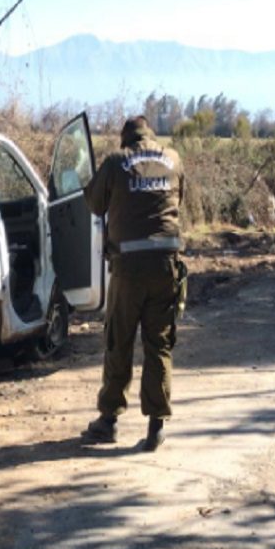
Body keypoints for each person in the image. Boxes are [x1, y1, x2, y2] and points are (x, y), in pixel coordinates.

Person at [81, 115, 186, 452]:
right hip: (166, 267)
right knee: (159, 344)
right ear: (150, 135)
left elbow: (94, 204)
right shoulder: (173, 159)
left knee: (119, 340)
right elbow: (178, 200)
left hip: (128, 269)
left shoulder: (116, 162)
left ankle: (109, 420)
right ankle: (156, 426)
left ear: (126, 140)